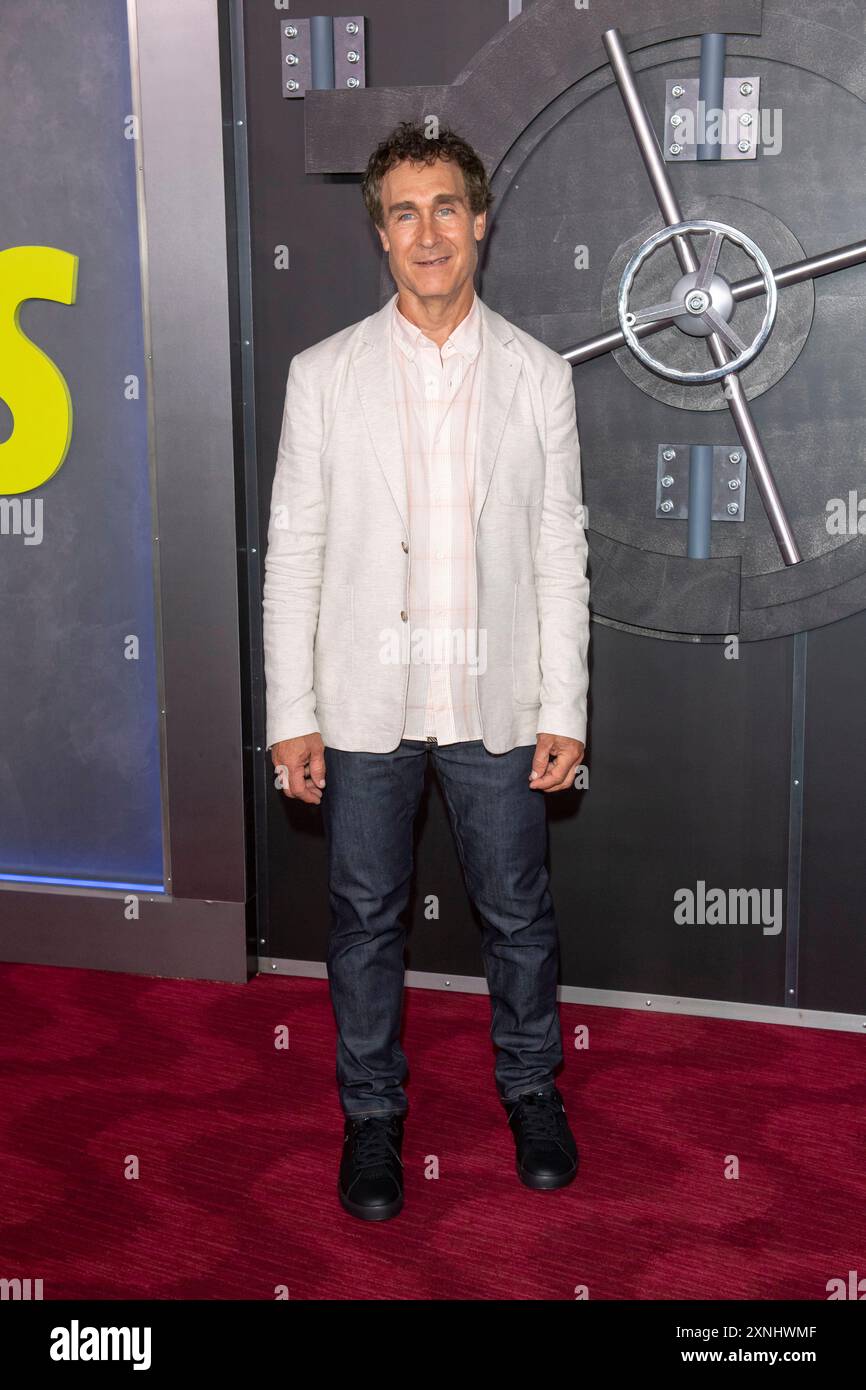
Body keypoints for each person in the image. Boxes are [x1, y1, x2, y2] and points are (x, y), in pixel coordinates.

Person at [263, 120, 590, 1222]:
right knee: (361, 919)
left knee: (517, 914)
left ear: (479, 221)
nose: (427, 231)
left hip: (492, 698)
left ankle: (532, 1091)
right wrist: (290, 714)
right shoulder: (322, 377)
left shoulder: (539, 378)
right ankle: (370, 1118)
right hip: (365, 699)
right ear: (380, 234)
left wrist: (564, 707)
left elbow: (557, 551)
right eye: (403, 211)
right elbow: (295, 552)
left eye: (445, 205)